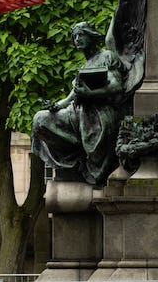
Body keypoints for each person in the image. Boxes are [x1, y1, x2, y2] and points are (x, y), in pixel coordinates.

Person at [31, 21, 128, 186]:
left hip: (99, 112)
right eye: (74, 36)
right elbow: (70, 98)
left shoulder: (106, 56)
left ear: (91, 36)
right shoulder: (84, 66)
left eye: (81, 34)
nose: (77, 39)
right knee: (40, 120)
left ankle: (86, 162)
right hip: (77, 110)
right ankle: (73, 160)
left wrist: (91, 94)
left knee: (91, 129)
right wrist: (56, 106)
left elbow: (116, 85)